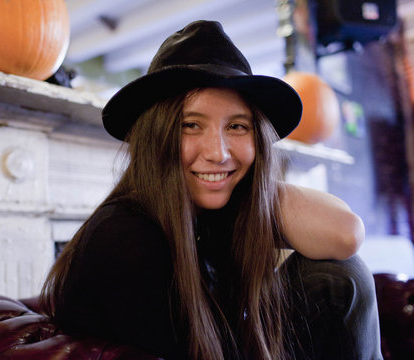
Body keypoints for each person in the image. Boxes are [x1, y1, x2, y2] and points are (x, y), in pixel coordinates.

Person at [41, 20, 382, 360]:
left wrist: (253, 182)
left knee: (338, 277)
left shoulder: (212, 216)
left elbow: (345, 235)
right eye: (191, 125)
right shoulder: (125, 238)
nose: (218, 152)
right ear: (154, 136)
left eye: (237, 126)